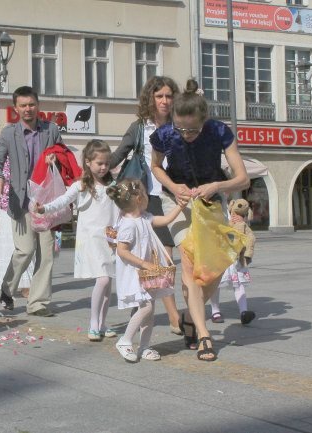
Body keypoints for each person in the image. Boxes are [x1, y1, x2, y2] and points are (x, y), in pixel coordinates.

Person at [150, 79, 249, 361]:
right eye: (181, 128)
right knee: (192, 266)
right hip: (178, 201)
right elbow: (156, 167)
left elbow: (242, 177)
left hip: (211, 200)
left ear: (203, 120)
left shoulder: (219, 131)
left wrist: (217, 186)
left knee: (214, 268)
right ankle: (204, 334)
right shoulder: (165, 134)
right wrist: (173, 185)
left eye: (193, 129)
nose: (187, 134)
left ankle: (189, 317)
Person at [110, 76, 182, 335]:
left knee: (166, 259)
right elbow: (118, 154)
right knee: (162, 258)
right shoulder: (140, 127)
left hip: (172, 195)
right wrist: (96, 172)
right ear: (150, 99)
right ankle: (174, 317)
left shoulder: (178, 126)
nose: (164, 100)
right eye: (159, 96)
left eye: (168, 96)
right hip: (147, 198)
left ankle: (144, 310)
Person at [0, 86, 62, 317]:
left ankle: (37, 303)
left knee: (46, 255)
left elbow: (63, 156)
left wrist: (55, 159)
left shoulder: (51, 129)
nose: (28, 109)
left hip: (46, 202)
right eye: (23, 105)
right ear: (16, 108)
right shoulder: (9, 133)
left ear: (38, 105)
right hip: (20, 201)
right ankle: (8, 289)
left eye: (31, 104)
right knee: (25, 250)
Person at [35, 140, 119, 341]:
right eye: (99, 163)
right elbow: (63, 201)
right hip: (91, 239)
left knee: (108, 284)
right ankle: (93, 323)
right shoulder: (80, 186)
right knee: (103, 279)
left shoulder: (113, 185)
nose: (103, 167)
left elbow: (122, 209)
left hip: (110, 238)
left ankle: (102, 323)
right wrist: (44, 208)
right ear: (88, 162)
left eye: (106, 163)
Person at [107, 179, 185, 362]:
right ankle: (125, 340)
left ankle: (144, 346)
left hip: (146, 274)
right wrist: (143, 263)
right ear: (138, 198)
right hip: (134, 273)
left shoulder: (144, 217)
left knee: (149, 311)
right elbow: (122, 251)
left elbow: (163, 220)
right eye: (145, 193)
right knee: (146, 307)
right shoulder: (127, 225)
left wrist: (180, 207)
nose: (148, 196)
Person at [0, 156, 35, 299]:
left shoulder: (26, 156)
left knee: (26, 246)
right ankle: (8, 285)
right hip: (3, 208)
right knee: (7, 248)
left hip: (24, 207)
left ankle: (27, 285)